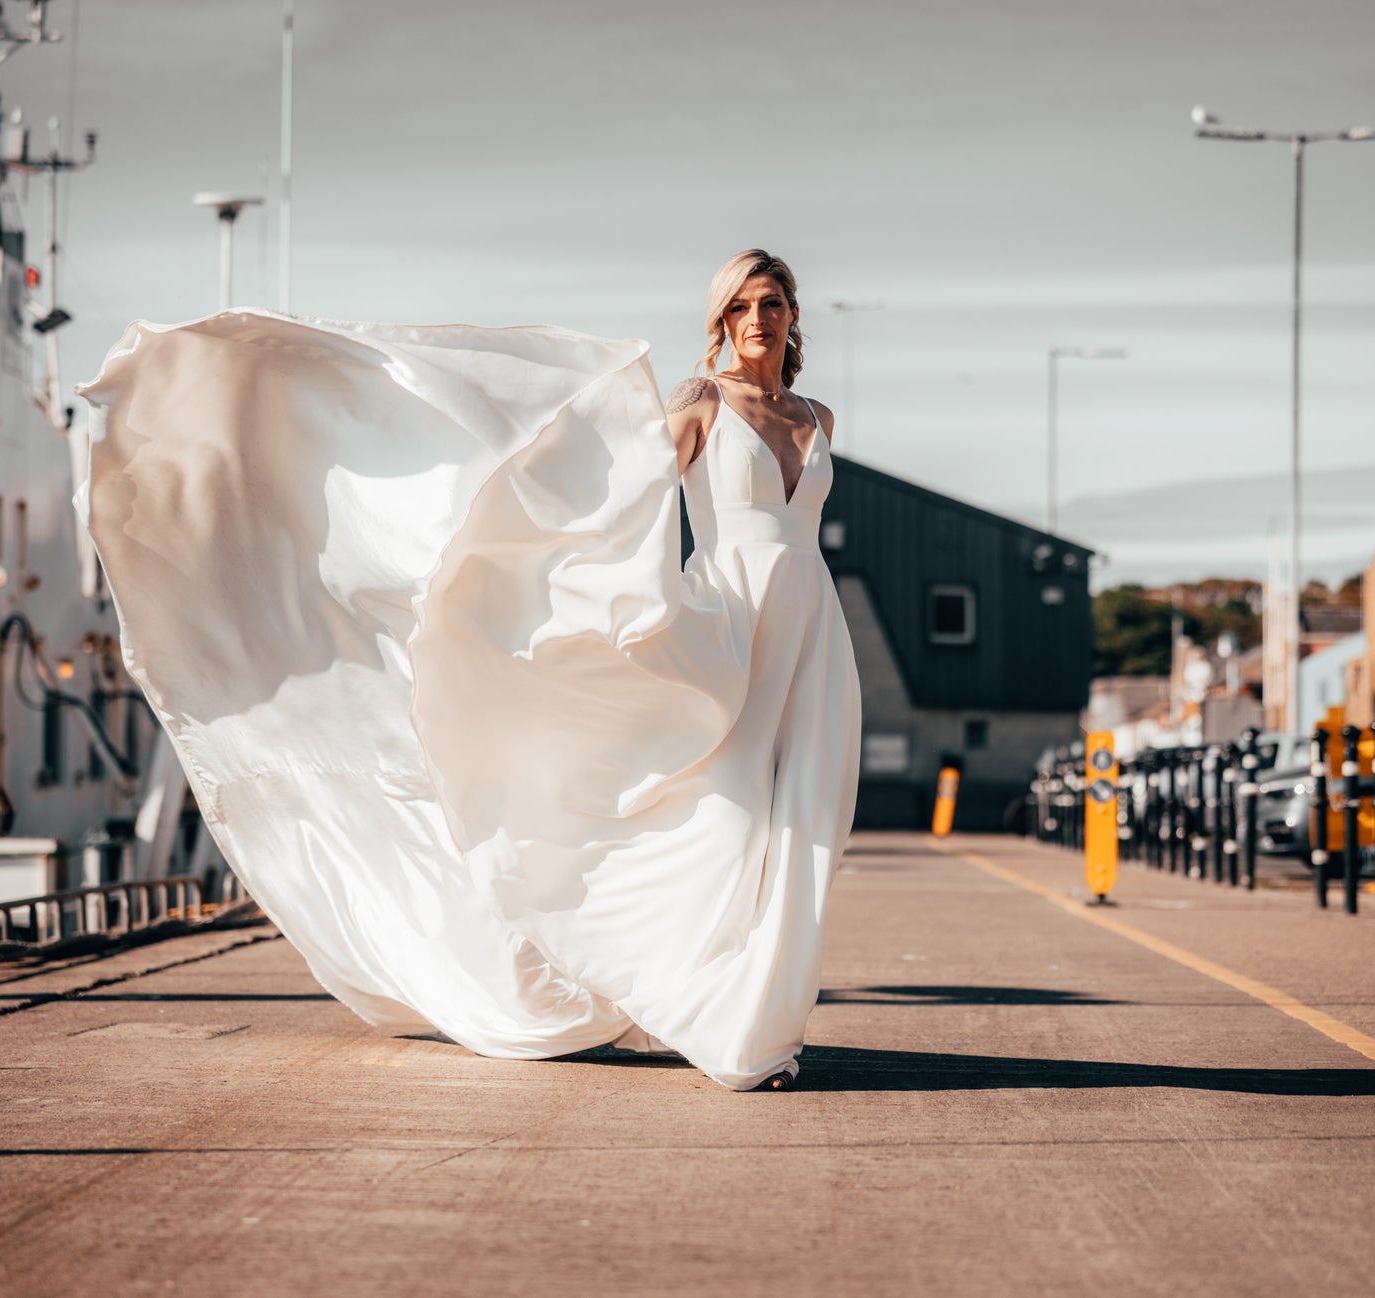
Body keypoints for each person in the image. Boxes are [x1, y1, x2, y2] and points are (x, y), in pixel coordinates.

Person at [75, 248, 861, 1091]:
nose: (756, 319)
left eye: (770, 302)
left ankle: (762, 1012)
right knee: (731, 821)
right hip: (729, 629)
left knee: (808, 826)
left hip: (813, 628)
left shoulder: (818, 415)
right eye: (739, 306)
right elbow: (620, 502)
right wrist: (553, 568)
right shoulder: (702, 405)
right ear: (720, 322)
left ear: (792, 315)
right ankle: (742, 1029)